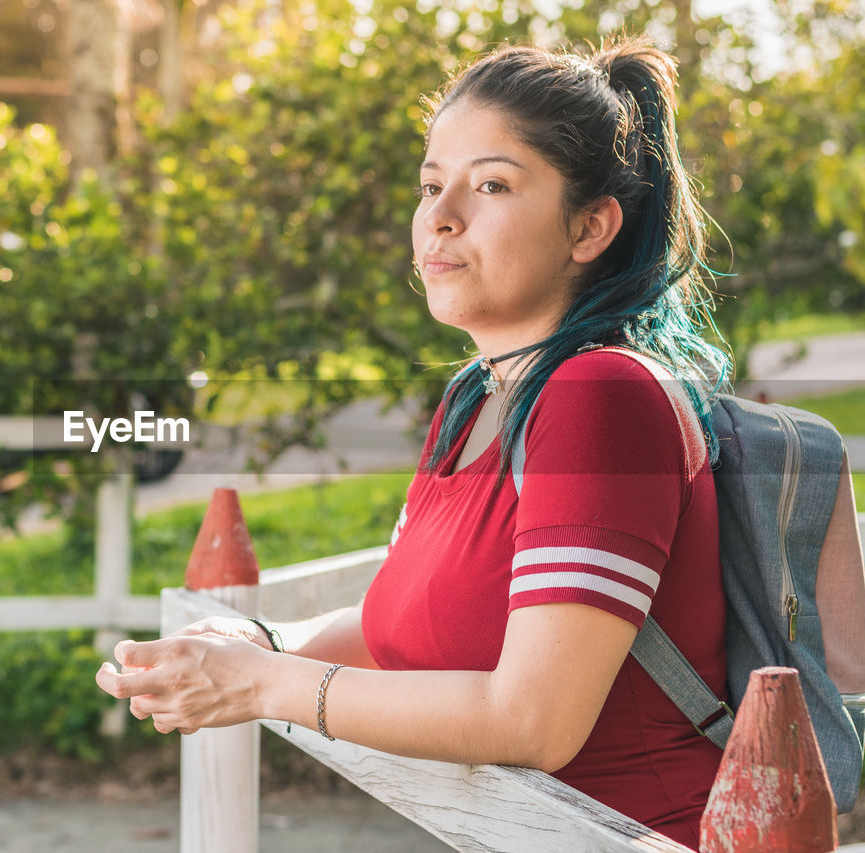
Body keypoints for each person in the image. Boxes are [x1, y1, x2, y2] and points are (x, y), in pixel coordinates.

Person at [96, 36, 732, 849]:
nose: (440, 215)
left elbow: (534, 721)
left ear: (589, 227)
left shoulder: (599, 396)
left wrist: (265, 683)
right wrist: (261, 643)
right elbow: (394, 623)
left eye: (491, 184)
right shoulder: (476, 398)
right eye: (432, 184)